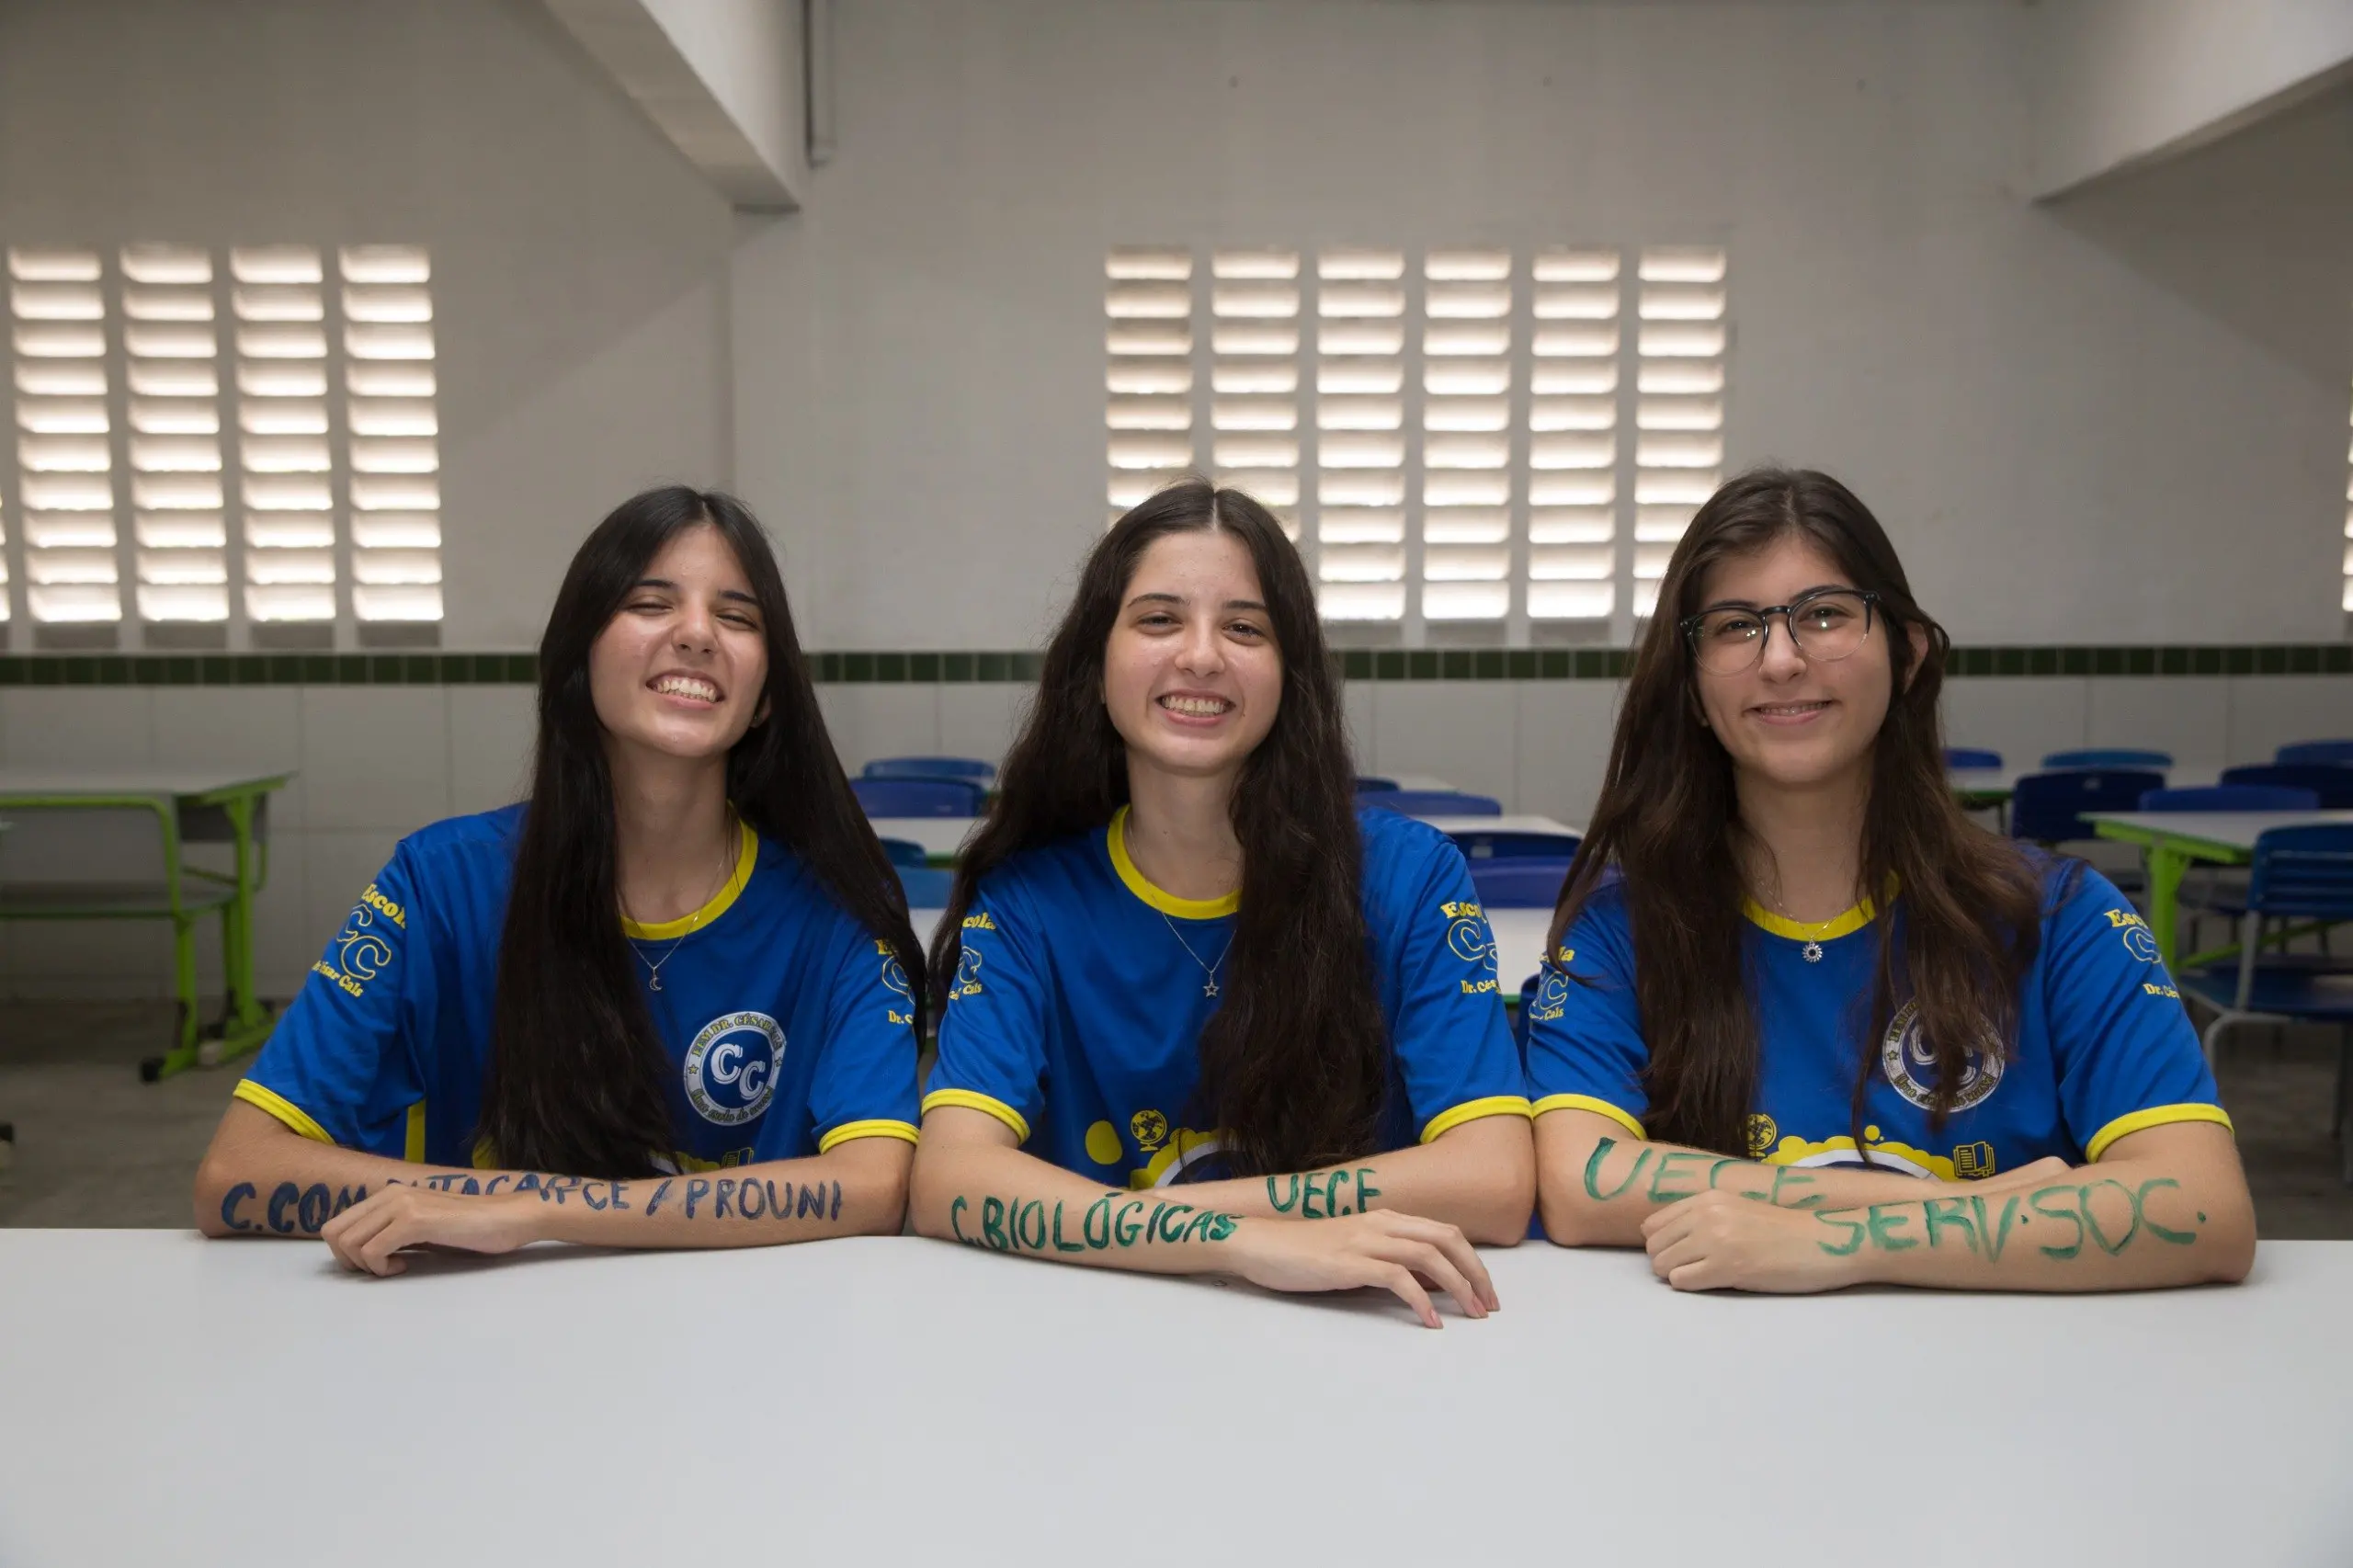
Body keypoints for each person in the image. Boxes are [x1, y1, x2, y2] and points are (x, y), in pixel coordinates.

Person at [1525, 467, 2254, 1291]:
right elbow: (1579, 1184)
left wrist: (1835, 1243)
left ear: (1907, 656)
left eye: (1826, 615)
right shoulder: (1624, 927)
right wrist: (1943, 1206)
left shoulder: (2061, 918)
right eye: (1734, 627)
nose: (1781, 659)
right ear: (1692, 686)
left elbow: (2204, 1209)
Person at [193, 487, 925, 1273]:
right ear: (579, 655)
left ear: (767, 696)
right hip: (485, 1349)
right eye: (651, 603)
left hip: (746, 1347)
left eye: (738, 618)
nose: (697, 634)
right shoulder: (438, 885)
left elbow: (874, 1186)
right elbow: (236, 1174)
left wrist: (533, 1208)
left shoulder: (837, 914)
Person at [909, 481, 1533, 1328]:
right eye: (1159, 619)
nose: (1201, 656)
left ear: (1290, 675)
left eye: (1245, 628)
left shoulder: (1408, 876)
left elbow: (1494, 1182)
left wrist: (1219, 1215)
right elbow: (949, 1180)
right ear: (1096, 665)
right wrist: (1237, 1242)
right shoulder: (1029, 904)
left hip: (1366, 1344)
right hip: (1100, 1342)